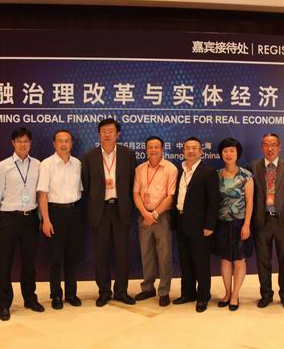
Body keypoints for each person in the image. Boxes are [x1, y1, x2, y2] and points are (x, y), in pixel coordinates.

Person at [81, 118, 137, 307]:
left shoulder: (128, 154)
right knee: (101, 254)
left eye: (111, 131)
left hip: (121, 209)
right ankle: (104, 292)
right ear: (99, 134)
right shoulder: (89, 156)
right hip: (100, 210)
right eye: (103, 131)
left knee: (122, 253)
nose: (107, 134)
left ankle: (121, 292)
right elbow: (86, 184)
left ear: (117, 134)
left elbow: (132, 181)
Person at [0, 127, 44, 321]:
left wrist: (41, 218)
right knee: (5, 263)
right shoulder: (3, 166)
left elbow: (40, 193)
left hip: (30, 218)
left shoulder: (38, 164)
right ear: (13, 143)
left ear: (30, 143)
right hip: (9, 218)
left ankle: (30, 298)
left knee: (29, 263)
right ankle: (4, 304)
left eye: (26, 141)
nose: (23, 144)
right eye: (19, 141)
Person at [248, 133, 284, 311]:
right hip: (262, 222)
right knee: (263, 262)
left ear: (279, 147)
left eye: (273, 145)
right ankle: (266, 295)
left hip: (283, 222)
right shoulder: (253, 167)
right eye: (266, 144)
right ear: (261, 147)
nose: (269, 148)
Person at [37, 129, 83, 310]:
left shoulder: (77, 163)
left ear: (72, 143)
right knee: (56, 257)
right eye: (60, 141)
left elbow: (81, 190)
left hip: (74, 212)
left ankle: (71, 293)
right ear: (54, 143)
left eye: (67, 141)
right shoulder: (46, 164)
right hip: (54, 213)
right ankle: (56, 294)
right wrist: (46, 220)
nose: (64, 144)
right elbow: (42, 194)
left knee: (72, 256)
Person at [172, 137, 219, 313]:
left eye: (194, 148)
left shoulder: (208, 172)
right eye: (187, 148)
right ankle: (188, 293)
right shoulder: (180, 170)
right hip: (181, 221)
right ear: (183, 150)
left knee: (201, 263)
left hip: (200, 226)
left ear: (201, 152)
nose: (191, 151)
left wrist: (210, 225)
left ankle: (203, 296)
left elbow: (214, 201)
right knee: (185, 261)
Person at [132, 136, 178, 307]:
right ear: (146, 149)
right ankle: (148, 287)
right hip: (143, 215)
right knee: (146, 253)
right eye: (150, 147)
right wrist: (145, 213)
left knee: (164, 255)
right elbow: (135, 193)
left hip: (162, 216)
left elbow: (170, 196)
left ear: (162, 149)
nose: (153, 150)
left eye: (156, 147)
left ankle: (164, 291)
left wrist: (155, 214)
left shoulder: (170, 169)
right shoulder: (139, 169)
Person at [211, 138, 254, 312]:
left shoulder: (246, 175)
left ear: (237, 153)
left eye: (232, 151)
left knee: (239, 260)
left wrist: (247, 224)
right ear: (221, 153)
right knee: (225, 260)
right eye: (225, 151)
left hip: (240, 223)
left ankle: (235, 294)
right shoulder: (216, 175)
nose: (228, 154)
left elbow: (250, 201)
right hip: (221, 223)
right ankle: (227, 293)